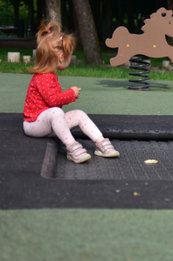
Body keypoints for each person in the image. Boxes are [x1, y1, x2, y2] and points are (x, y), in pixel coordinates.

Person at [23, 21, 119, 164]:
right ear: (61, 57)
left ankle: (101, 142)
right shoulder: (43, 78)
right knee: (56, 111)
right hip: (33, 125)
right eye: (69, 56)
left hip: (49, 124)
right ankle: (72, 147)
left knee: (79, 114)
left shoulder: (49, 75)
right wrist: (71, 94)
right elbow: (53, 101)